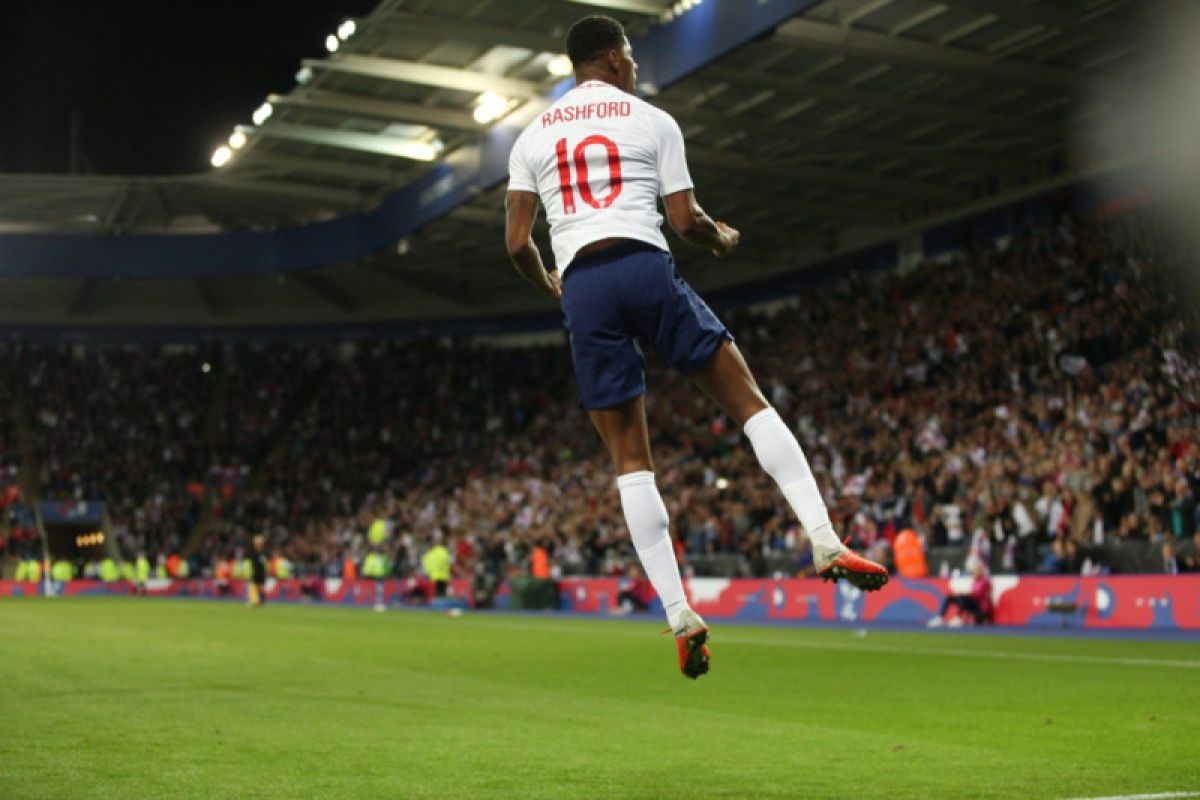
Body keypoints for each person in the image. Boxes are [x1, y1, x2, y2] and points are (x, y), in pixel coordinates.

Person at [505, 15, 888, 679]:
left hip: (587, 286)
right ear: (614, 60)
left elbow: (515, 242)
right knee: (747, 401)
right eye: (628, 54)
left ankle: (679, 611)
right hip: (645, 265)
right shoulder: (653, 120)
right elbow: (685, 221)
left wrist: (551, 287)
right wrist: (724, 240)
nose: (633, 64)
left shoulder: (532, 135)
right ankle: (824, 539)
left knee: (631, 459)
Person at [927, 558, 993, 628]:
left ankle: (958, 617)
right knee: (950, 598)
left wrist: (966, 594)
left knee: (964, 598)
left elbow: (980, 596)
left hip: (979, 606)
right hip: (970, 603)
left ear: (980, 571)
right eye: (974, 571)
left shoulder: (985, 582)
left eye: (976, 571)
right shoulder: (975, 581)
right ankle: (940, 618)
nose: (974, 573)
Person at [248, 534, 268, 608]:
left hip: (260, 572)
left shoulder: (262, 553)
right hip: (256, 572)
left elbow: (264, 564)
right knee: (255, 587)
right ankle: (256, 601)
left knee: (259, 587)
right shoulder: (254, 553)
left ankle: (258, 601)